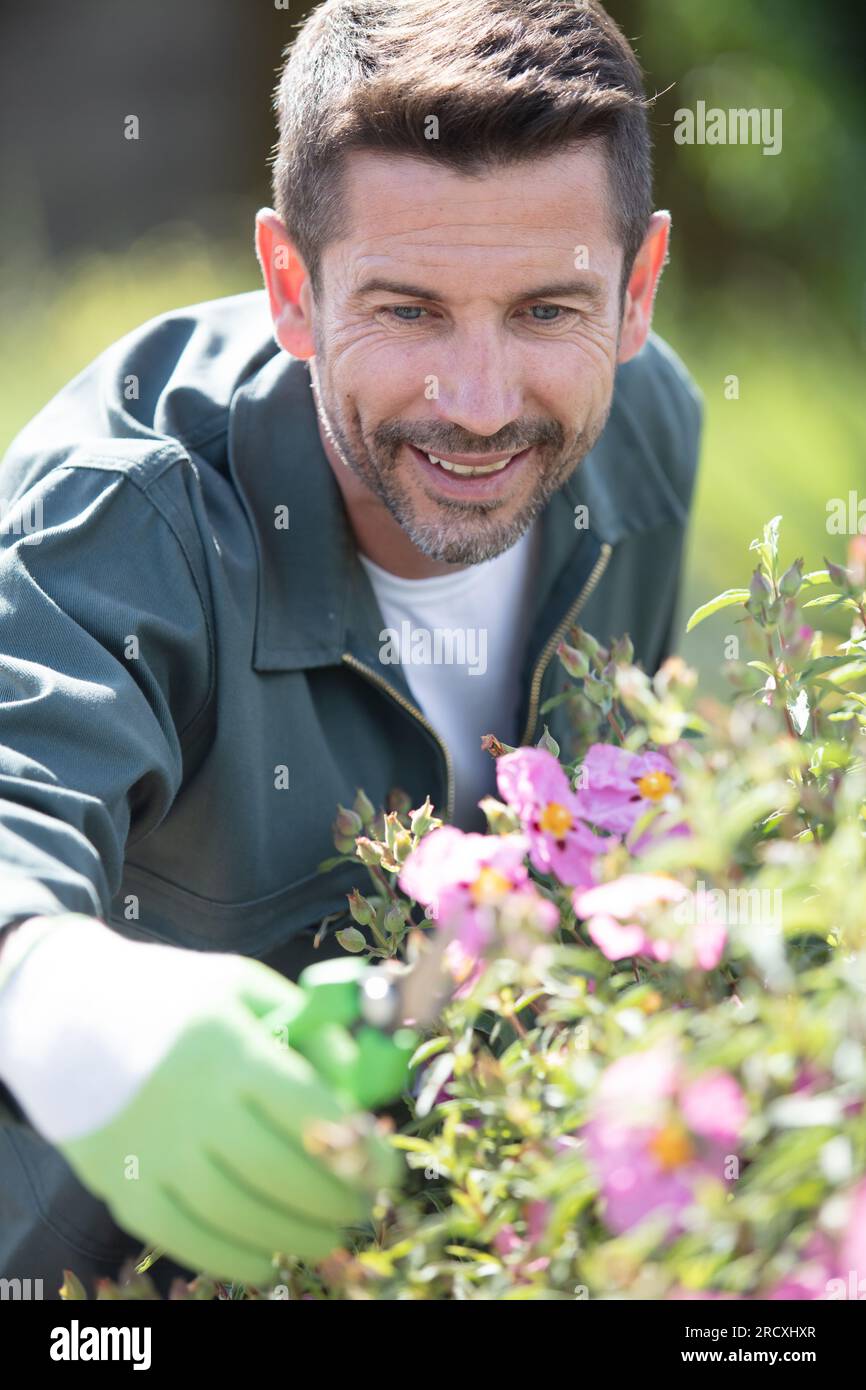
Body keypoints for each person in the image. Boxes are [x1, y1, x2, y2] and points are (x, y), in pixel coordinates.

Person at [0, 0, 703, 1296]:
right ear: (291, 287)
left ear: (636, 289)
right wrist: (63, 997)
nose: (480, 404)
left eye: (548, 310)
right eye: (411, 311)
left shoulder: (646, 435)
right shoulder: (125, 514)